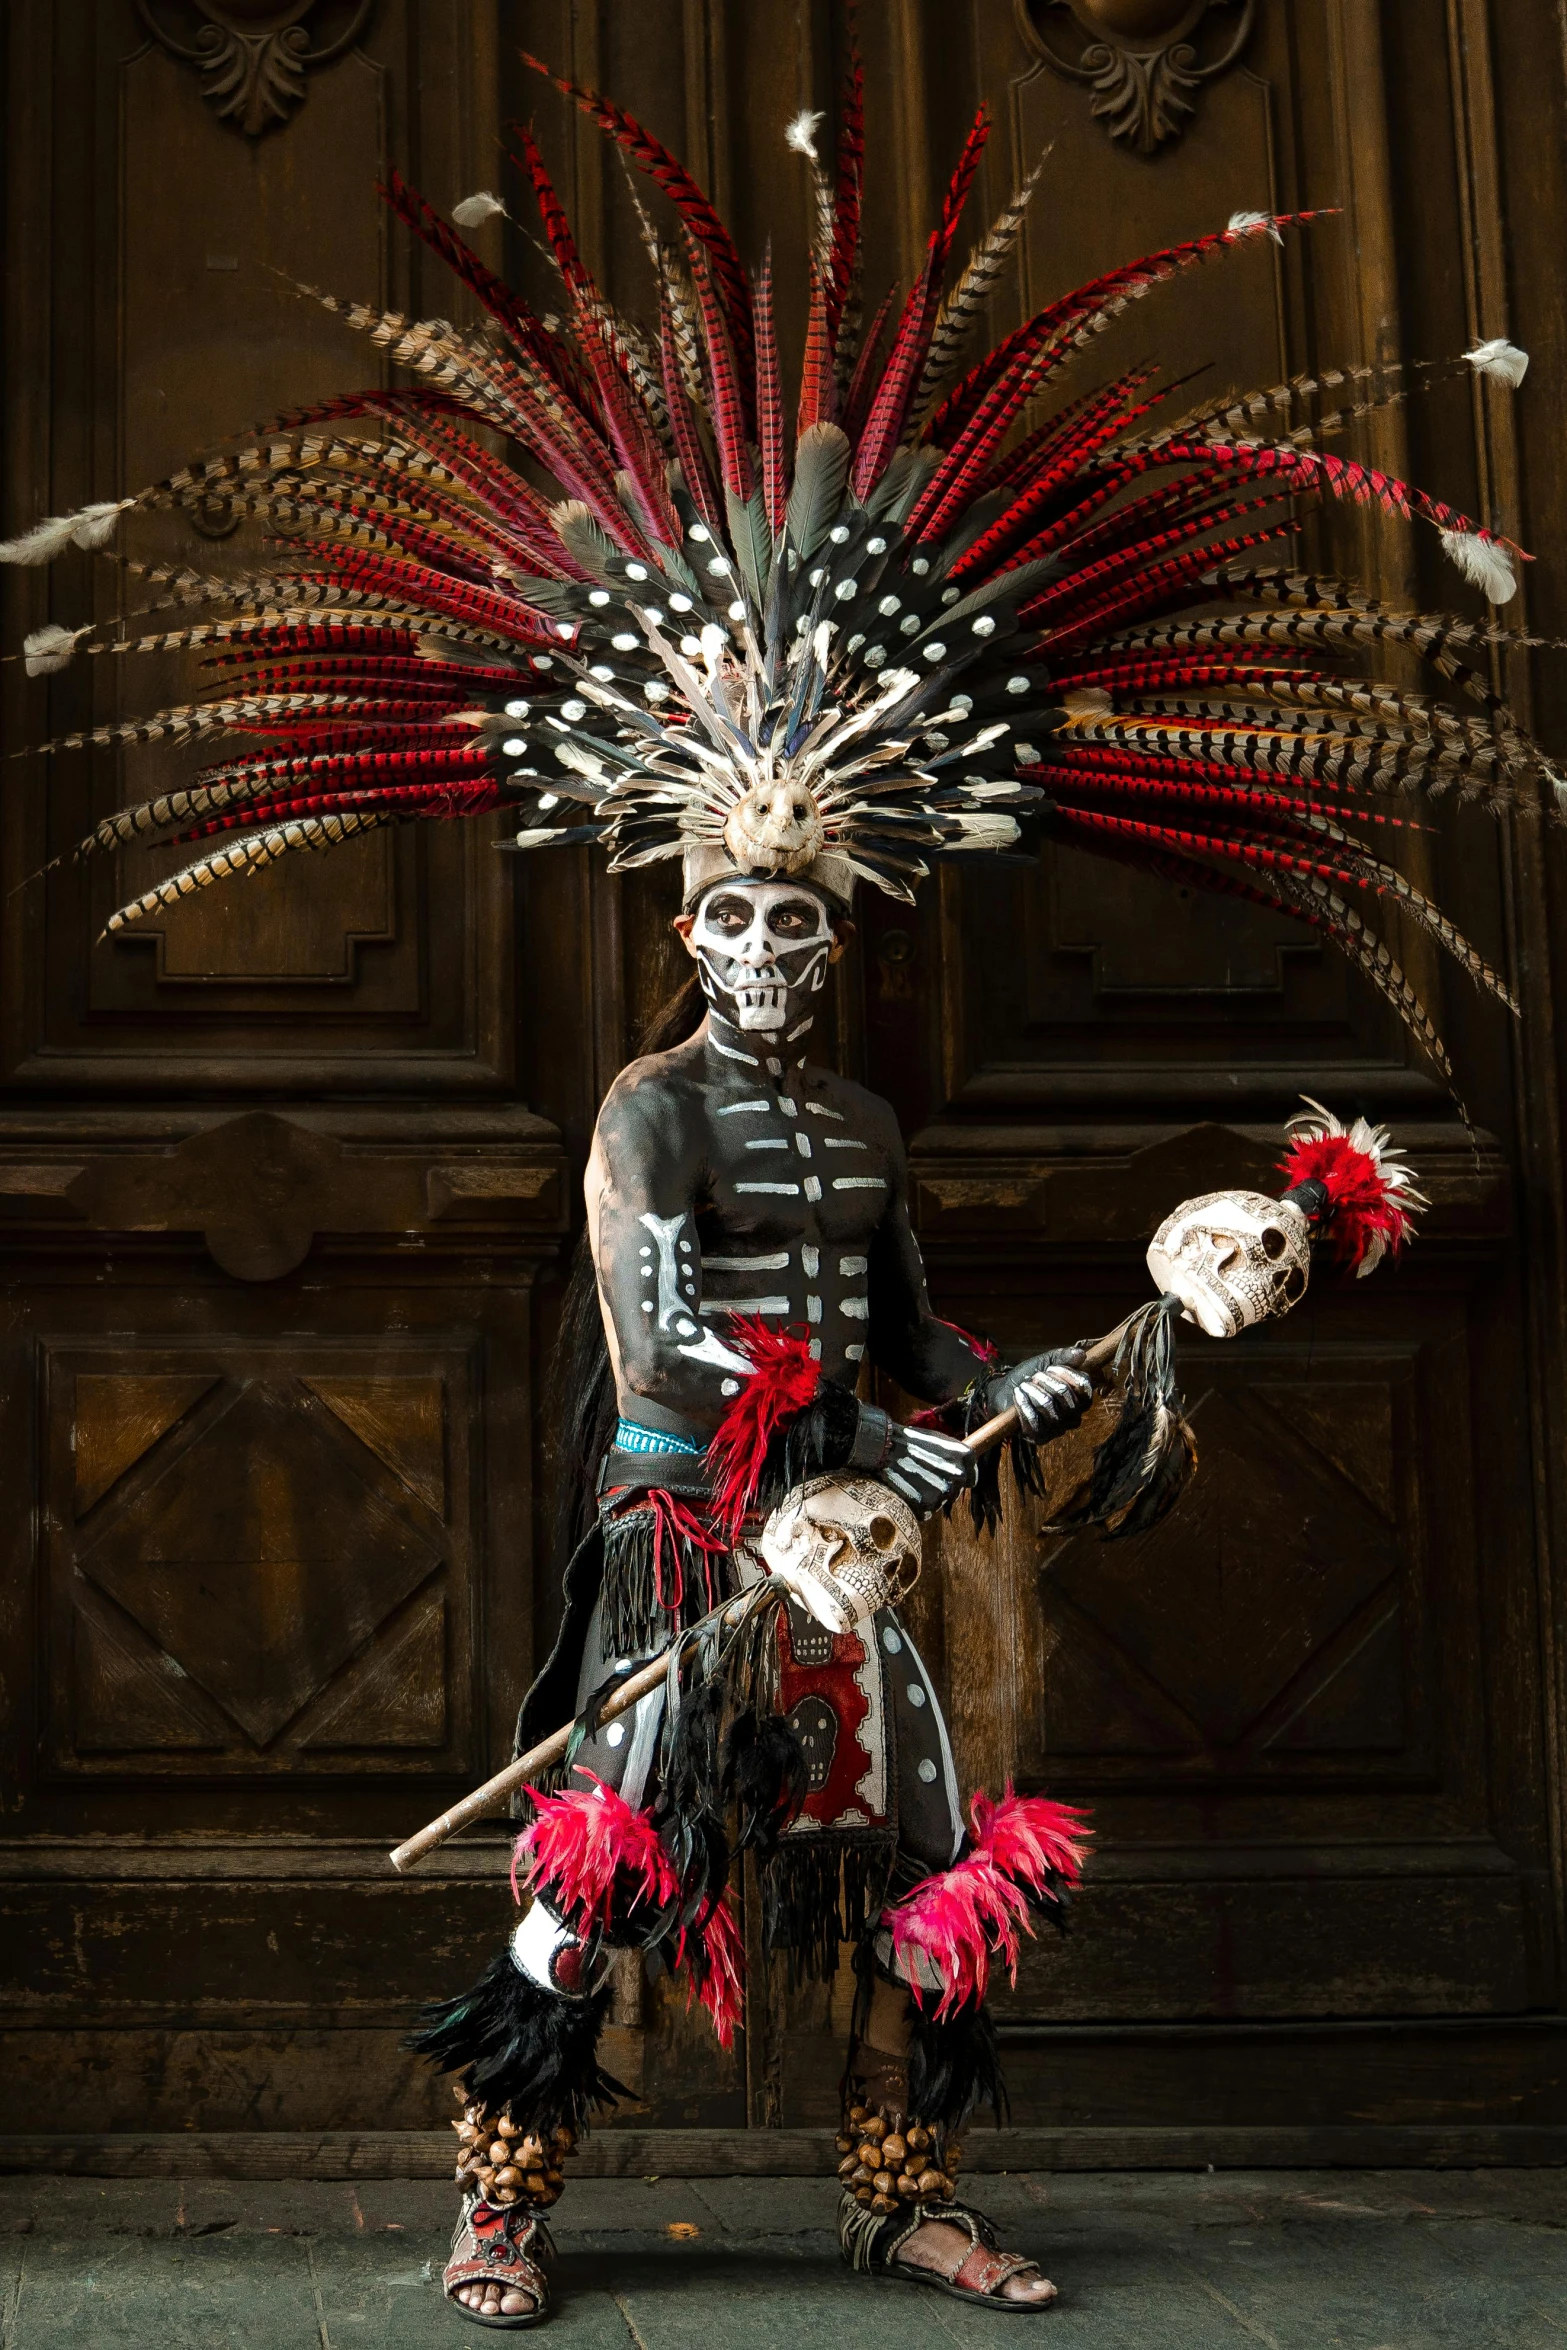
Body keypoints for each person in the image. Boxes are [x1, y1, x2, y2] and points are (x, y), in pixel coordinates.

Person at [5, 41, 1535, 2331]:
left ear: (842, 929)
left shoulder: (872, 1126)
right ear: (688, 920)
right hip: (698, 1530)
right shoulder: (651, 1108)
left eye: (806, 921)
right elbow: (654, 1344)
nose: (773, 951)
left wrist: (1045, 1370)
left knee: (934, 1853)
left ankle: (902, 2184)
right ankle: (503, 2193)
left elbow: (911, 1325)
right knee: (602, 1860)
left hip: (881, 1524)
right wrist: (800, 1466)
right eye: (738, 918)